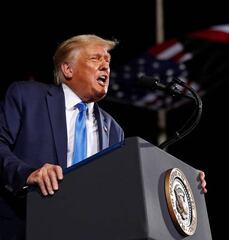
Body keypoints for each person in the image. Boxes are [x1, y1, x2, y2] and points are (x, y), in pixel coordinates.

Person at [0, 34, 207, 239]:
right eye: (95, 58)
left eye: (107, 60)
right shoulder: (27, 96)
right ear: (68, 69)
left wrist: (184, 182)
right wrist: (28, 174)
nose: (105, 66)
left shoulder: (115, 130)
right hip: (26, 227)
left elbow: (121, 190)